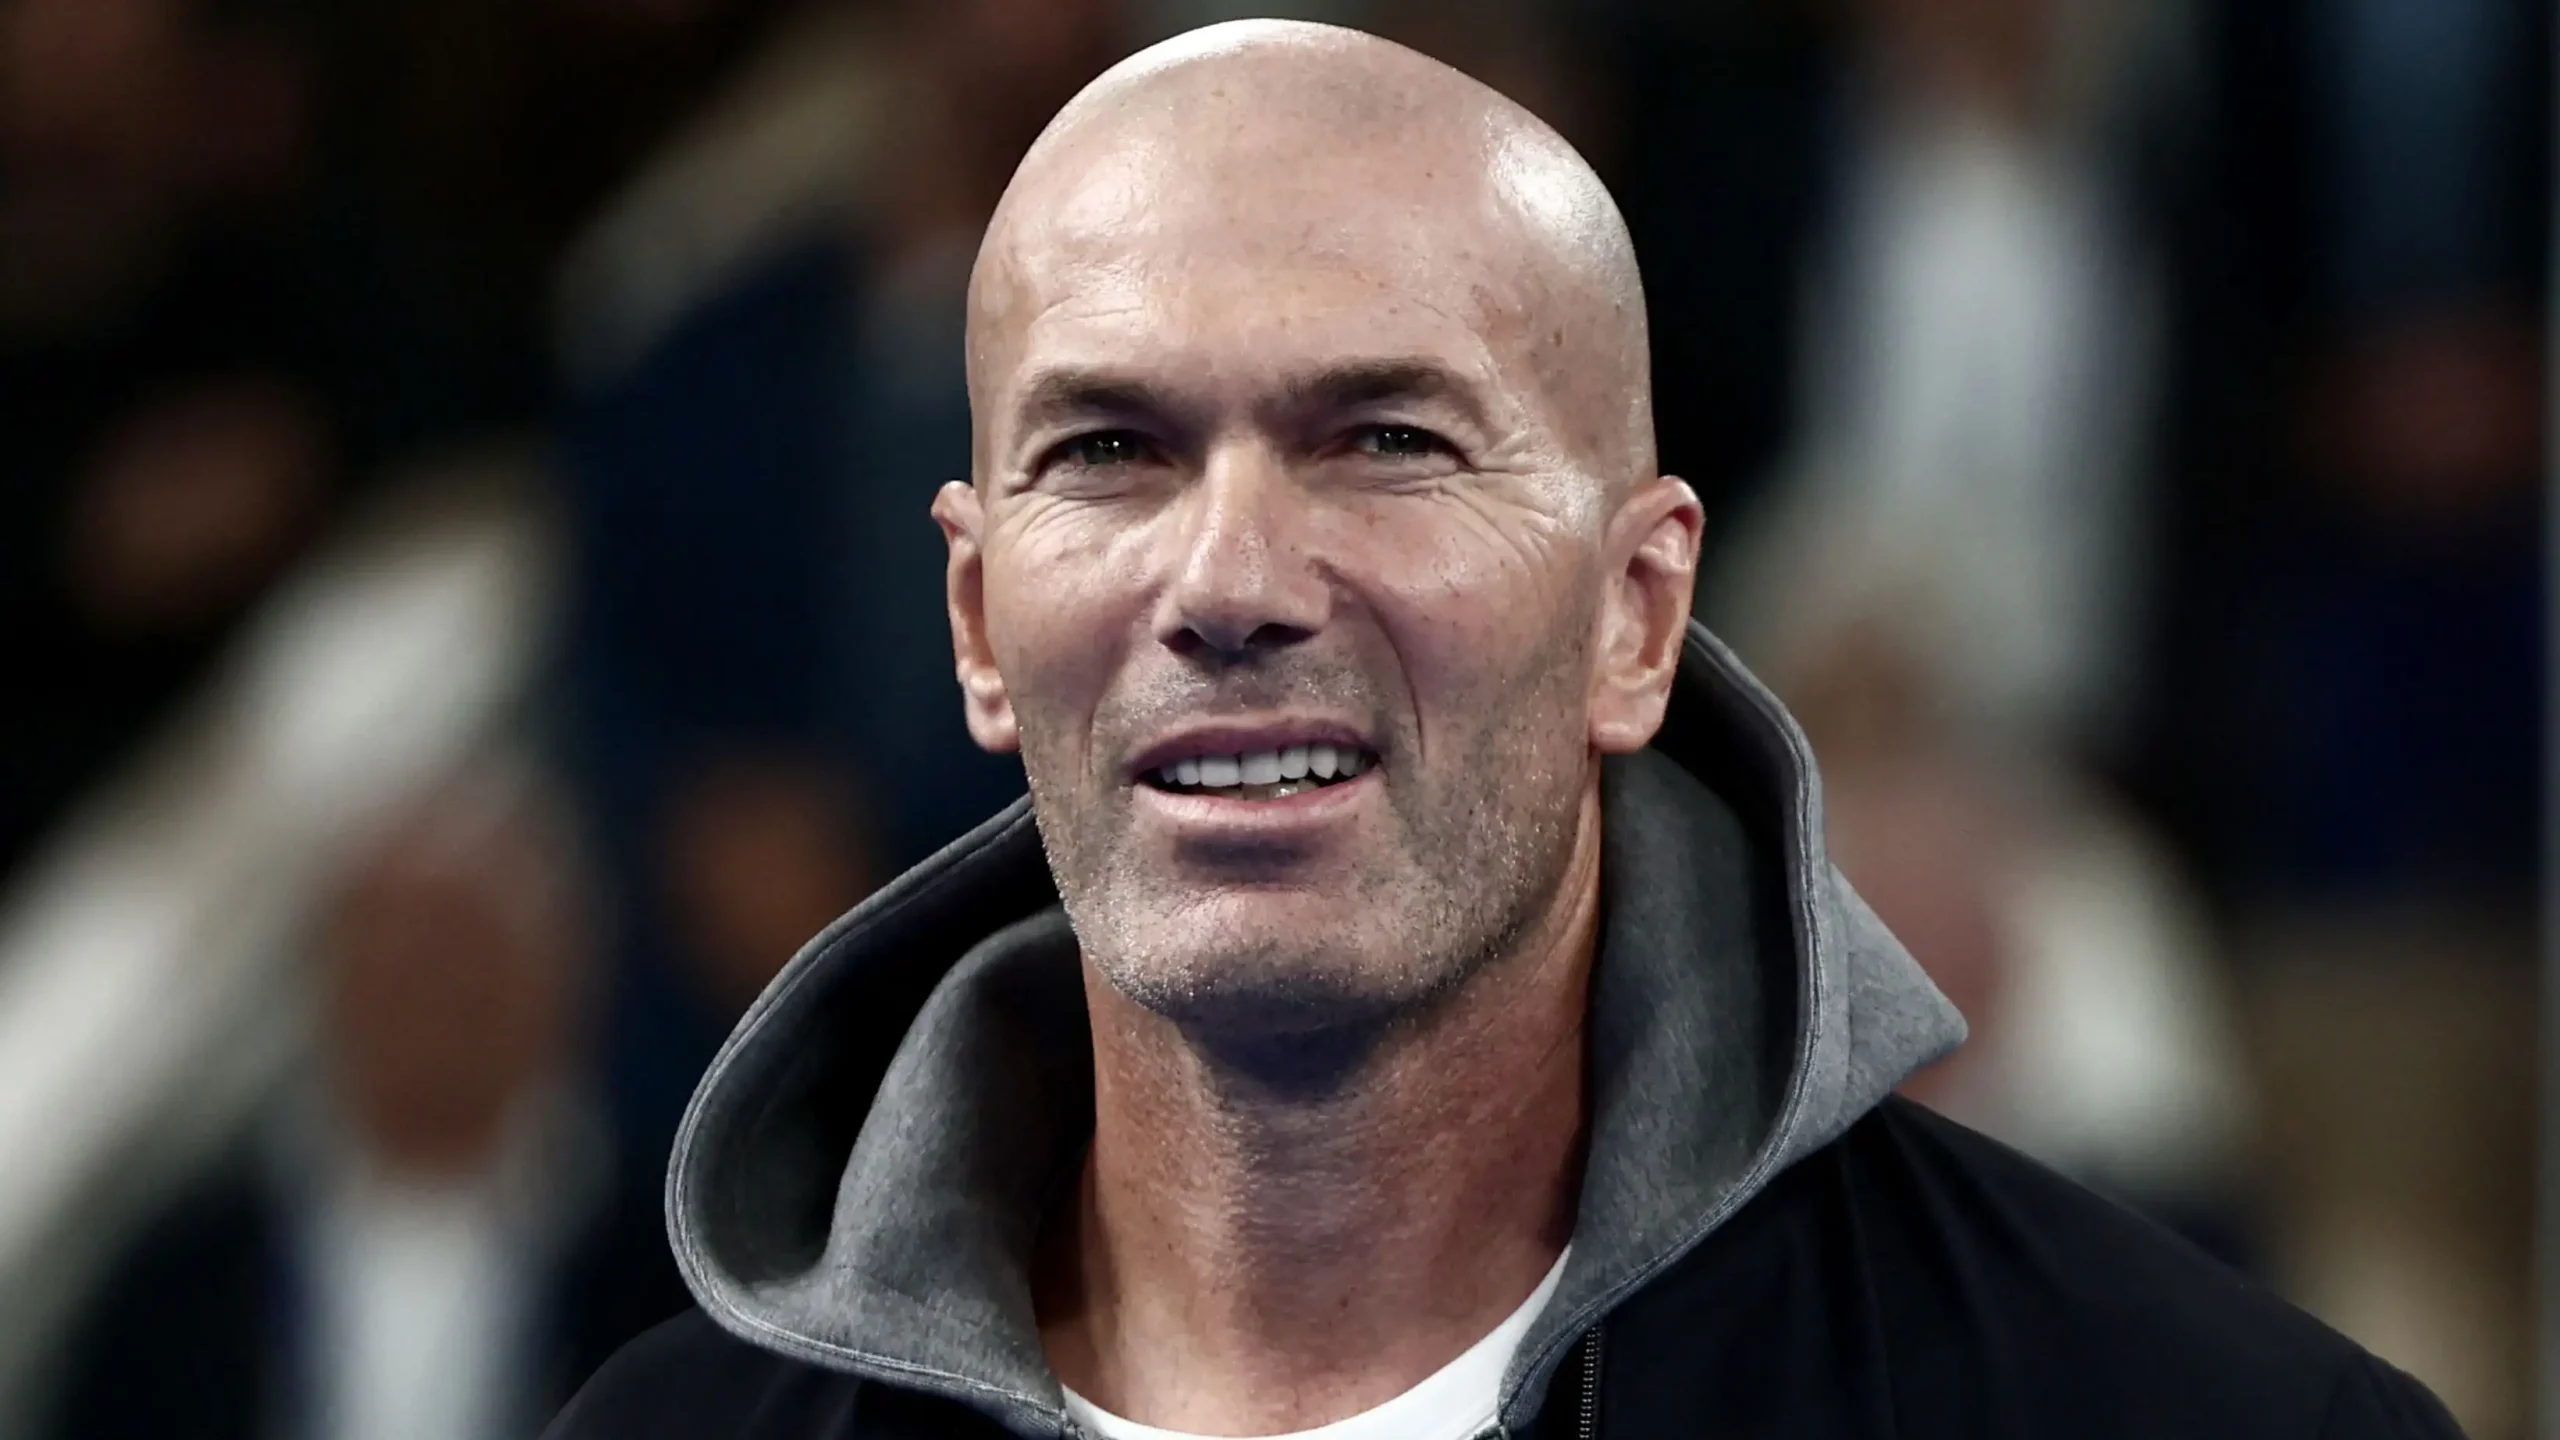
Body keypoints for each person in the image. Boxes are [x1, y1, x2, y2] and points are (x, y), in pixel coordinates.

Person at [548, 20, 2461, 1439]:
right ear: (977, 619)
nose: (1229, 581)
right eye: (1111, 449)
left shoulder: (2192, 1419)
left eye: (1386, 440)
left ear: (1639, 615)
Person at [47, 757, 688, 1440]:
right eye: (396, 960)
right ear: (325, 979)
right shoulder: (176, 1294)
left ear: (562, 975)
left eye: (463, 954)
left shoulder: (669, 1278)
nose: (430, 1003)